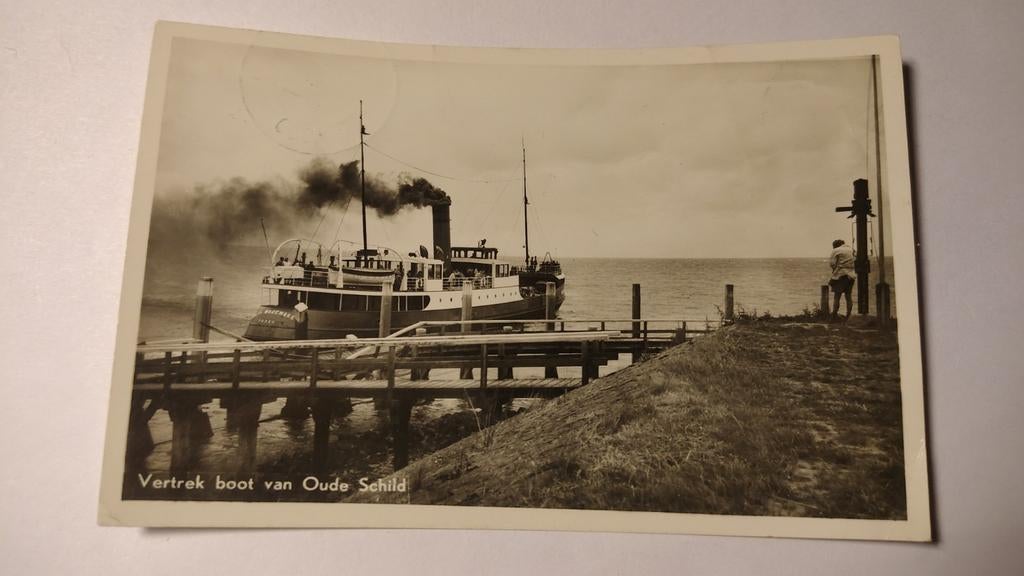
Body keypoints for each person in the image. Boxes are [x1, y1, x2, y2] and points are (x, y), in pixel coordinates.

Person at [829, 239, 856, 322]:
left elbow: (832, 264)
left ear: (835, 245)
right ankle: (848, 316)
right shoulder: (852, 249)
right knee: (848, 296)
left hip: (841, 275)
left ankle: (834, 316)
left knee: (837, 296)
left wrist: (836, 268)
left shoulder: (836, 250)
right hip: (851, 275)